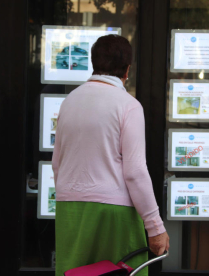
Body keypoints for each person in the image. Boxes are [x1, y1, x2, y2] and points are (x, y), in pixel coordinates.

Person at [52, 35, 169, 276]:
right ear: (127, 70)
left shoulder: (69, 102)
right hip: (115, 212)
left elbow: (57, 163)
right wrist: (155, 226)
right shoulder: (128, 105)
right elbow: (135, 172)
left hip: (69, 208)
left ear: (94, 63)